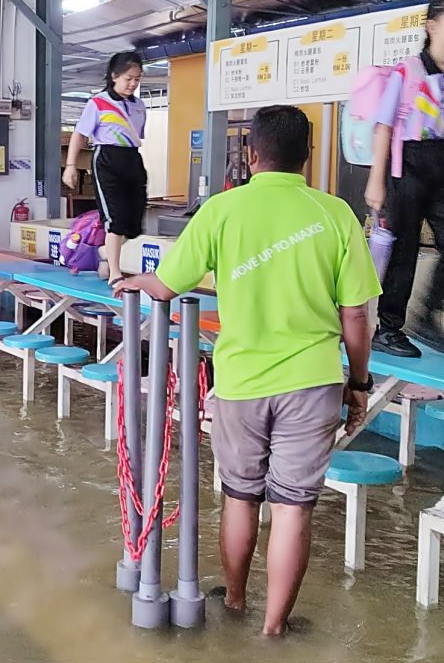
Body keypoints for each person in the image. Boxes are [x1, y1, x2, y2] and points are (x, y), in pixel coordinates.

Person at [114, 105, 380, 637]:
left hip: (239, 382)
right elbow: (356, 314)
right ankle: (274, 628)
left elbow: (168, 284)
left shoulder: (221, 210)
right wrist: (358, 381)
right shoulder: (336, 214)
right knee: (293, 509)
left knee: (240, 497)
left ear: (250, 155)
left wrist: (138, 283)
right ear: (306, 158)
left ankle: (234, 599)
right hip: (312, 382)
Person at [367, 0, 444, 357]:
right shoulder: (407, 71)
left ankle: (426, 316)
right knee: (405, 251)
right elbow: (383, 126)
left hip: (439, 170)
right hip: (407, 166)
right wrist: (375, 181)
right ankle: (389, 328)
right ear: (432, 26)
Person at [64, 52, 147, 286]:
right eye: (128, 78)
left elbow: (136, 136)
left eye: (137, 79)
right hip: (107, 159)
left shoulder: (139, 106)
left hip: (132, 158)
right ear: (114, 76)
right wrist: (71, 166)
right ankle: (115, 273)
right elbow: (79, 135)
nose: (133, 84)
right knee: (115, 220)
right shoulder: (98, 102)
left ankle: (101, 254)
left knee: (133, 226)